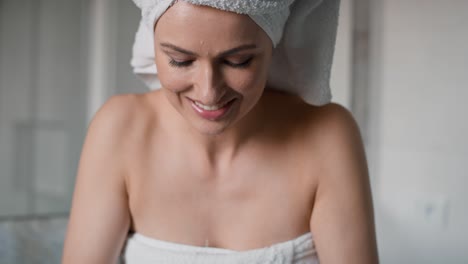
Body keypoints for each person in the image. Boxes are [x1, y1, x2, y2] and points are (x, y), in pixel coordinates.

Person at [62, 0, 379, 263]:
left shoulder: (326, 137)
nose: (208, 92)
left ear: (274, 44)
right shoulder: (120, 130)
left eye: (238, 61)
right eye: (180, 60)